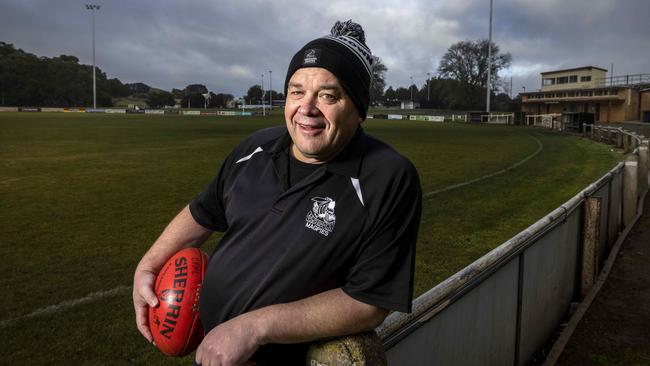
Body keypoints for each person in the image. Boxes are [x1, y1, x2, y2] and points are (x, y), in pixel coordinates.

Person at [133, 20, 422, 366]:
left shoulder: (387, 177)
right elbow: (202, 211)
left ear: (358, 109)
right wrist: (149, 264)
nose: (307, 107)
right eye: (297, 91)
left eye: (328, 96)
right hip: (216, 354)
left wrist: (253, 328)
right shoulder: (255, 148)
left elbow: (369, 302)